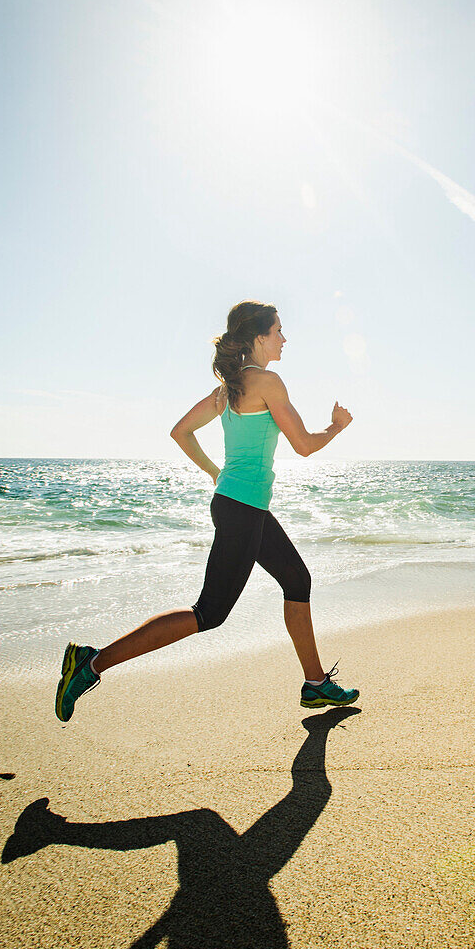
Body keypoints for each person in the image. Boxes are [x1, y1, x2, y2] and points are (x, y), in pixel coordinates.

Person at [55, 300, 359, 722]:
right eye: (277, 331)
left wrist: (218, 473)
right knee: (209, 613)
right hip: (242, 510)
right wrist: (337, 427)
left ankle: (315, 684)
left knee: (296, 578)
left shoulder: (228, 390)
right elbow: (304, 446)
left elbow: (180, 431)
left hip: (239, 505)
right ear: (258, 338)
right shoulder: (268, 382)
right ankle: (90, 663)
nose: (284, 339)